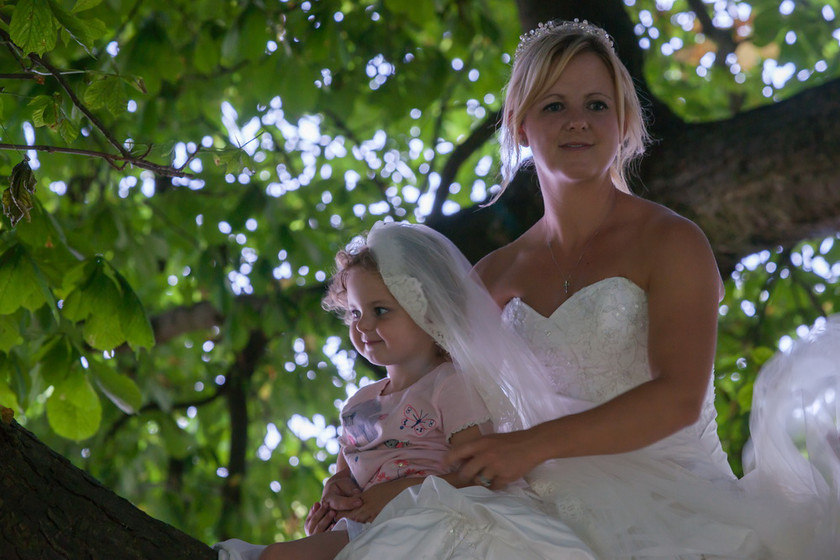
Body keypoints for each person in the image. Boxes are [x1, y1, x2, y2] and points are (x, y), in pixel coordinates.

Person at [310, 19, 840, 559]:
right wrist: (357, 477)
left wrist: (528, 447)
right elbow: (427, 404)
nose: (578, 123)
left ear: (624, 121)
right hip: (525, 509)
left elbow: (678, 398)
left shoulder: (672, 241)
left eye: (597, 105)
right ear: (519, 124)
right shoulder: (490, 278)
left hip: (675, 505)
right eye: (554, 106)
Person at [216, 221, 498, 560]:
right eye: (354, 313)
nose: (362, 326)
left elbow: (480, 475)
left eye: (380, 311)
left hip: (423, 524)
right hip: (365, 526)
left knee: (279, 556)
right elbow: (346, 475)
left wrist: (400, 492)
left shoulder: (449, 384)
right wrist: (334, 499)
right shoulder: (359, 404)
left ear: (429, 312)